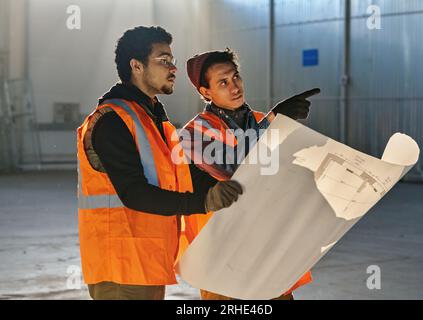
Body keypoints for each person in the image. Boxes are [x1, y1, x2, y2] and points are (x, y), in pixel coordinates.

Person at [77, 27, 243, 300]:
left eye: (172, 61)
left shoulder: (154, 121)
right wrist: (205, 202)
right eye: (164, 60)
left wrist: (239, 184)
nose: (173, 68)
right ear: (137, 66)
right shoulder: (112, 120)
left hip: (147, 261)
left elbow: (185, 176)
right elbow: (134, 193)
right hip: (120, 264)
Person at [181, 49, 320, 300]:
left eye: (236, 77)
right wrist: (276, 122)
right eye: (223, 82)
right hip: (223, 261)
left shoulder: (260, 121)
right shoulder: (195, 133)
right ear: (205, 92)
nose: (234, 87)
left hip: (269, 253)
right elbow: (237, 170)